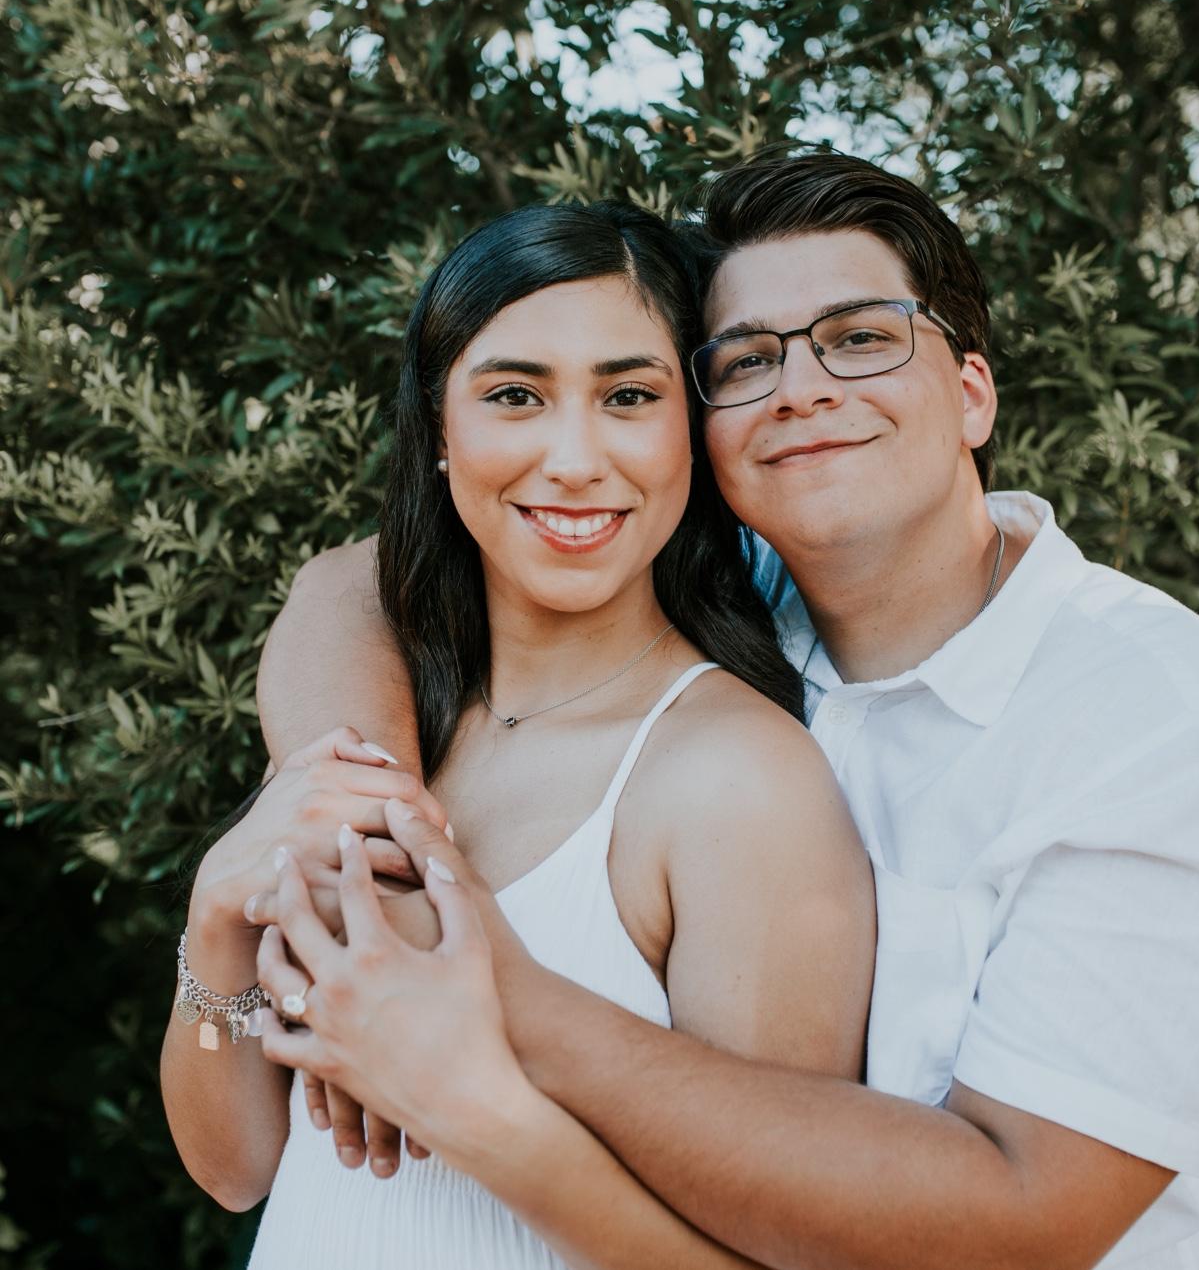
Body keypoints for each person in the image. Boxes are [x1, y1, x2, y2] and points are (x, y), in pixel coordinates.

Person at [252, 148, 1199, 1270]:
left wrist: (492, 994)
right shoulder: (725, 603)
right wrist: (369, 841)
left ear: (971, 394)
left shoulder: (1170, 726)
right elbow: (352, 586)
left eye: (860, 338)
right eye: (749, 360)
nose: (802, 388)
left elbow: (1024, 1216)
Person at [160, 199, 877, 1268]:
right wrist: (217, 919)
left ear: (689, 430)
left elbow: (783, 1247)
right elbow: (235, 1170)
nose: (575, 458)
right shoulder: (384, 722)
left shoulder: (737, 779)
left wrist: (471, 1102)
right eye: (513, 396)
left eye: (629, 396)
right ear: (440, 433)